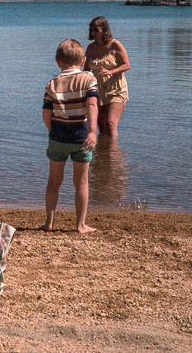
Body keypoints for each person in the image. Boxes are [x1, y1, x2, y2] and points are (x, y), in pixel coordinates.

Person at [42, 39, 99, 233]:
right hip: (82, 137)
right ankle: (80, 225)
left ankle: (49, 223)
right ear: (83, 60)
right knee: (81, 181)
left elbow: (46, 113)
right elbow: (92, 105)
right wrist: (93, 131)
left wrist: (51, 129)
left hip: (58, 136)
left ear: (58, 61)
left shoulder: (52, 83)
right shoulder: (88, 80)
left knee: (53, 181)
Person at [83, 16, 130, 138]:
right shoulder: (91, 48)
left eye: (96, 30)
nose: (93, 33)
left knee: (110, 123)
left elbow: (127, 65)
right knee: (101, 125)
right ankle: (103, 154)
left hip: (116, 89)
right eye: (91, 30)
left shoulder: (115, 45)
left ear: (104, 30)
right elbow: (86, 70)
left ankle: (113, 154)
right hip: (98, 90)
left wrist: (111, 71)